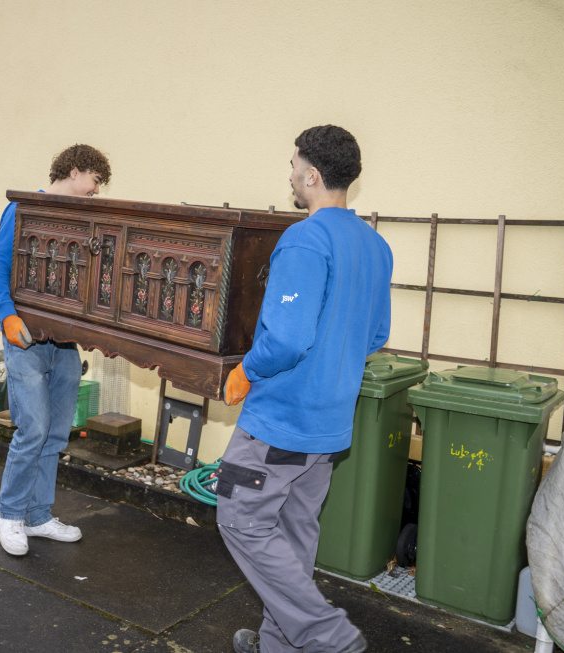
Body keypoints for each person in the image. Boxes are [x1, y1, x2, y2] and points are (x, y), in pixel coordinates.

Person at [217, 125, 392, 653]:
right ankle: (280, 645)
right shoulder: (375, 245)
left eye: (294, 165)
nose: (290, 174)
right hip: (330, 423)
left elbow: (288, 338)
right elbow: (377, 335)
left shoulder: (306, 237)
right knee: (294, 533)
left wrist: (247, 369)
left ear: (312, 175)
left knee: (241, 520)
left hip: (282, 421)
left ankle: (328, 638)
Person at [0, 144, 112, 556]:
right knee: (33, 429)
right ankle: (10, 514)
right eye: (94, 183)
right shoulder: (24, 211)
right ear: (75, 172)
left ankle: (38, 517)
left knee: (56, 433)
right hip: (26, 339)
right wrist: (7, 316)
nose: (95, 192)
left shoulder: (82, 222)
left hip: (66, 345)